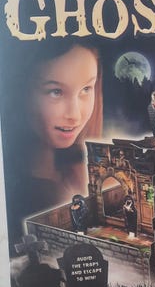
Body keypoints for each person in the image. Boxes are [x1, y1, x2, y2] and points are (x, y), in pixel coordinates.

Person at [2, 40, 103, 246]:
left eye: (86, 89)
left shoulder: (82, 172)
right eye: (55, 92)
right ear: (21, 90)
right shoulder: (19, 190)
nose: (75, 115)